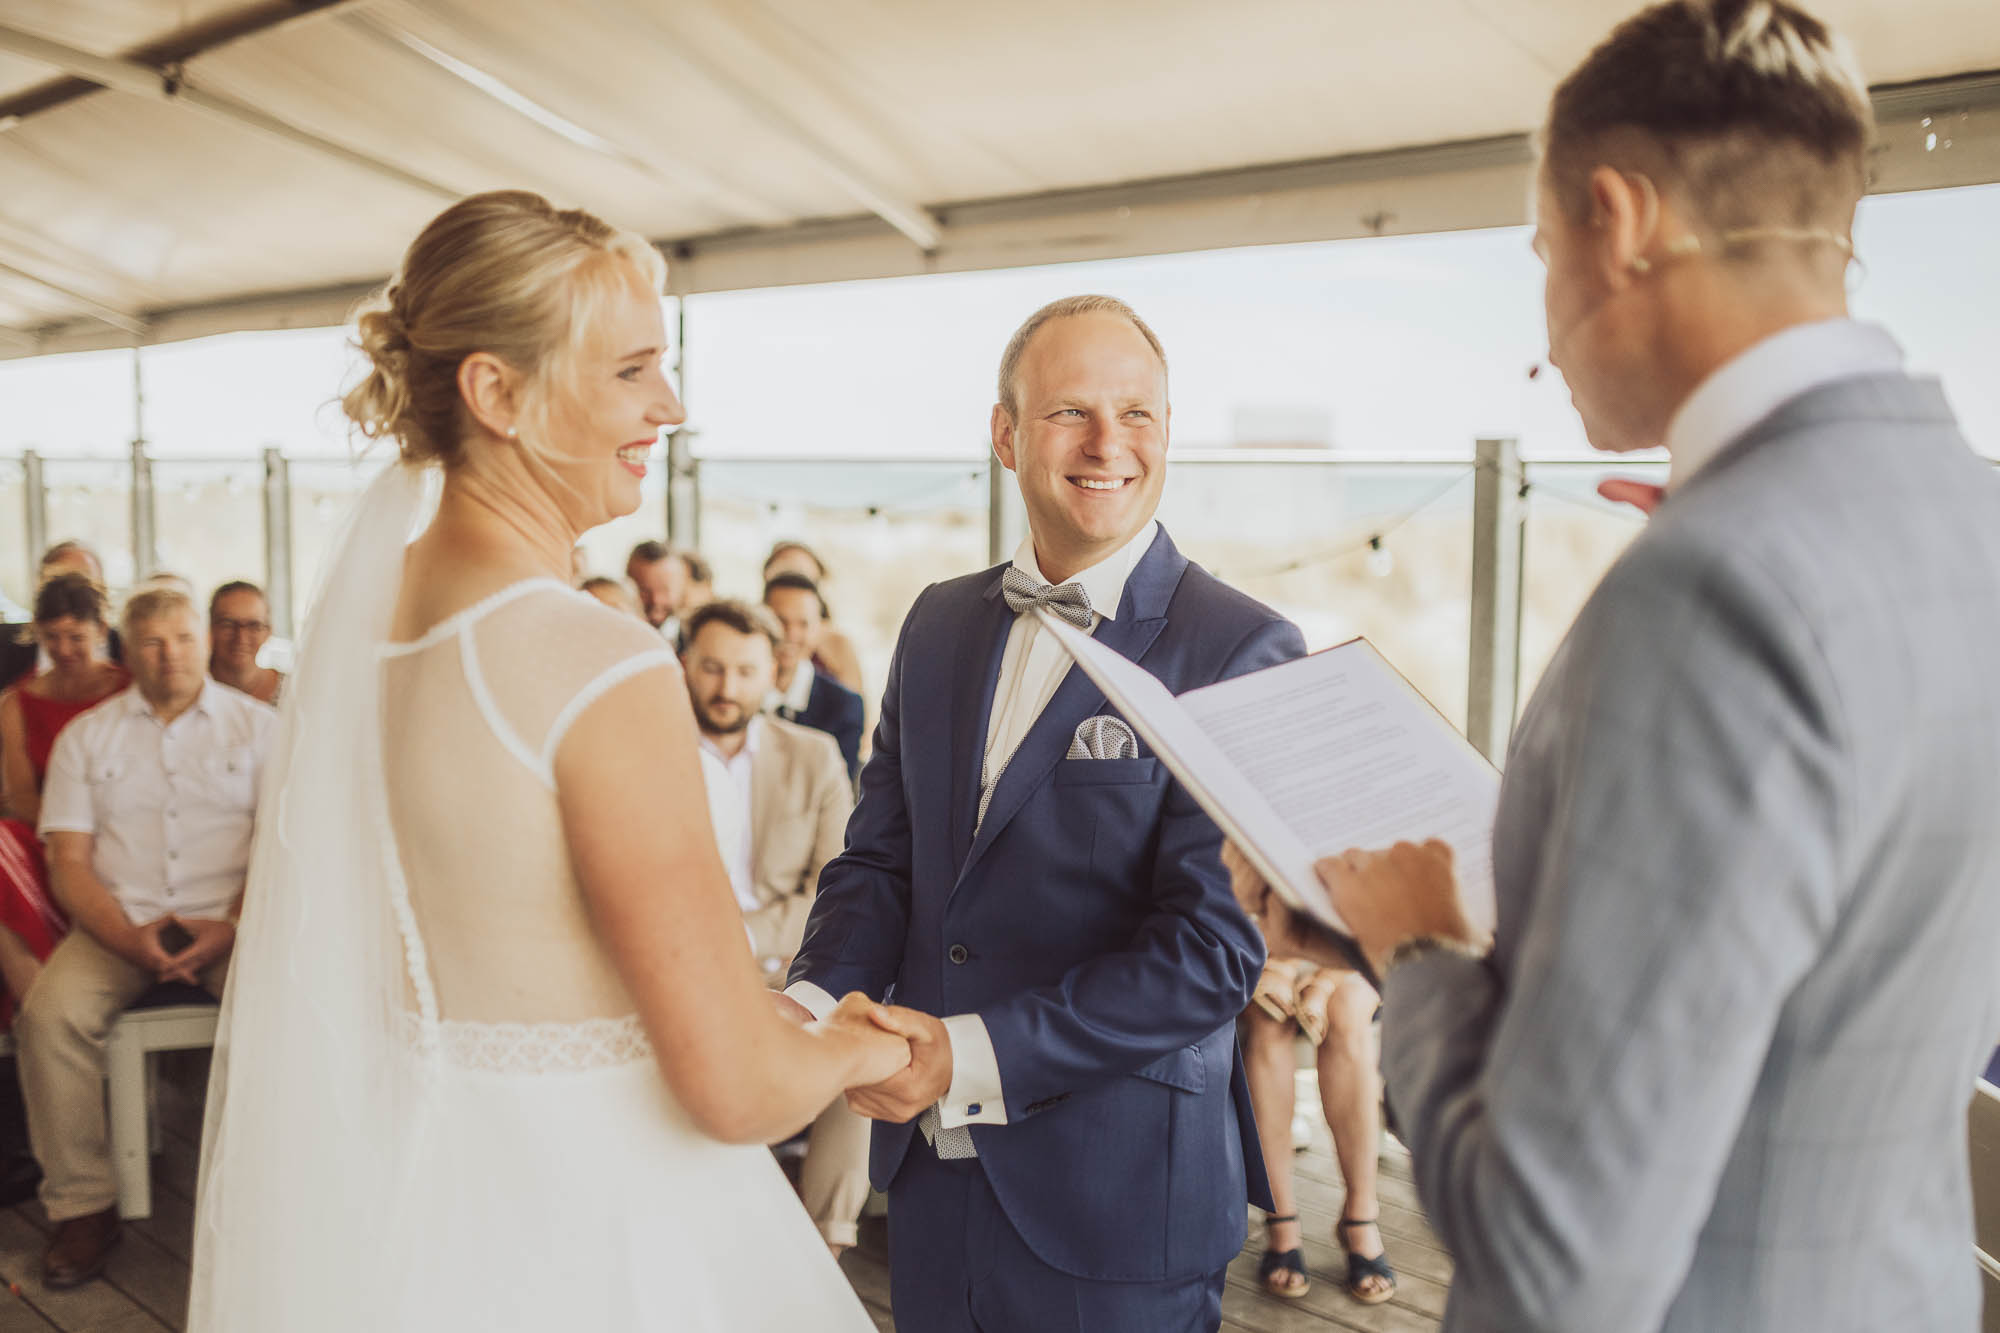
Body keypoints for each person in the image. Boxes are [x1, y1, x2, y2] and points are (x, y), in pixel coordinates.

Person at [1230, 4, 2000, 1329]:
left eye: (1541, 250)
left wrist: (1415, 947)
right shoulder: (1971, 517)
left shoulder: (1714, 588)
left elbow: (1556, 1255)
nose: (1542, 318)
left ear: (1619, 221)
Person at [188, 190, 906, 1331]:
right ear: (496, 392)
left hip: (404, 1213)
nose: (667, 402)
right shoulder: (591, 656)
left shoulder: (354, 633)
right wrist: (853, 1048)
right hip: (597, 1229)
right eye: (631, 370)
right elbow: (729, 1087)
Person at [784, 294, 1305, 1332]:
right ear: (1004, 435)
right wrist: (805, 1014)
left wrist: (962, 1051)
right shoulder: (935, 623)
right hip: (928, 1178)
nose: (1108, 443)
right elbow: (879, 864)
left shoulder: (1242, 647)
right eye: (1070, 411)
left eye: (1138, 413)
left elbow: (1209, 953)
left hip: (1115, 1202)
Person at [21, 585, 274, 1288]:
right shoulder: (87, 735)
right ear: (126, 651)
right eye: (154, 643)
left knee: (289, 1006)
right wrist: (127, 938)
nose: (171, 656)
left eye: (184, 639)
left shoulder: (261, 730)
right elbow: (67, 859)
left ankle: (272, 1186)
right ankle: (82, 1205)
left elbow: (279, 846)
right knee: (49, 1015)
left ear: (204, 640)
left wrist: (231, 925)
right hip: (118, 924)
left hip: (232, 923)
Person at [681, 599, 871, 1256]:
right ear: (684, 664)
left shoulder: (814, 756)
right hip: (683, 966)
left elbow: (836, 881)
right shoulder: (651, 753)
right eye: (710, 666)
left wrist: (747, 936)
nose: (725, 686)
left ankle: (828, 1241)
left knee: (860, 1030)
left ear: (774, 672)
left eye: (743, 669)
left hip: (792, 961)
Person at [0, 572, 128, 1016]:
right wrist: (69, 838)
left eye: (76, 636)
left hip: (127, 833)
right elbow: (20, 797)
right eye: (52, 638)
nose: (65, 649)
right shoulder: (17, 703)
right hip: (50, 838)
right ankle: (37, 1008)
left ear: (100, 629)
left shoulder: (129, 688)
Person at [1241, 961, 1392, 1304]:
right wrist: (1276, 967)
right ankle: (1280, 1217)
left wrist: (1322, 985)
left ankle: (1360, 1213)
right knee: (1270, 1017)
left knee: (1349, 1010)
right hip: (1268, 951)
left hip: (1347, 954)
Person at [763, 572, 865, 782]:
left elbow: (837, 790)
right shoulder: (734, 693)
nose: (791, 634)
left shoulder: (844, 706)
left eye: (803, 624)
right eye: (780, 621)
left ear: (819, 629)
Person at [0, 543, 118, 690]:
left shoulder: (126, 647)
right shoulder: (5, 645)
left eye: (84, 582)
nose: (64, 650)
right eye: (58, 583)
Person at [762, 541, 864, 695]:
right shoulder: (754, 636)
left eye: (801, 574)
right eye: (783, 573)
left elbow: (856, 707)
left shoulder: (838, 644)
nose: (791, 634)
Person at [206, 582, 284, 705]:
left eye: (254, 625)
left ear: (268, 632)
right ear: (210, 628)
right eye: (228, 624)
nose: (241, 637)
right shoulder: (188, 690)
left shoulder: (293, 691)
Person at [625, 538, 686, 641]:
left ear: (681, 587)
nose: (656, 600)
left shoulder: (697, 642)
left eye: (665, 590)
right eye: (644, 591)